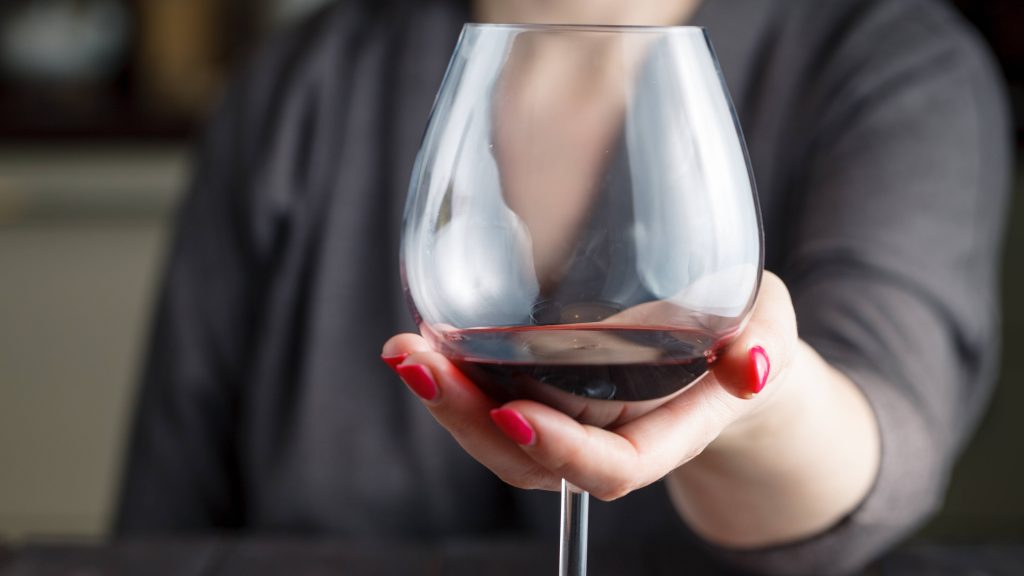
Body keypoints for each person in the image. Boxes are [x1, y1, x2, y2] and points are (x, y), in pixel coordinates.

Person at [115, 0, 1012, 574]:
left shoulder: (893, 58)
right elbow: (164, 525)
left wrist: (753, 396)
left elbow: (883, 445)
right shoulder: (304, 81)